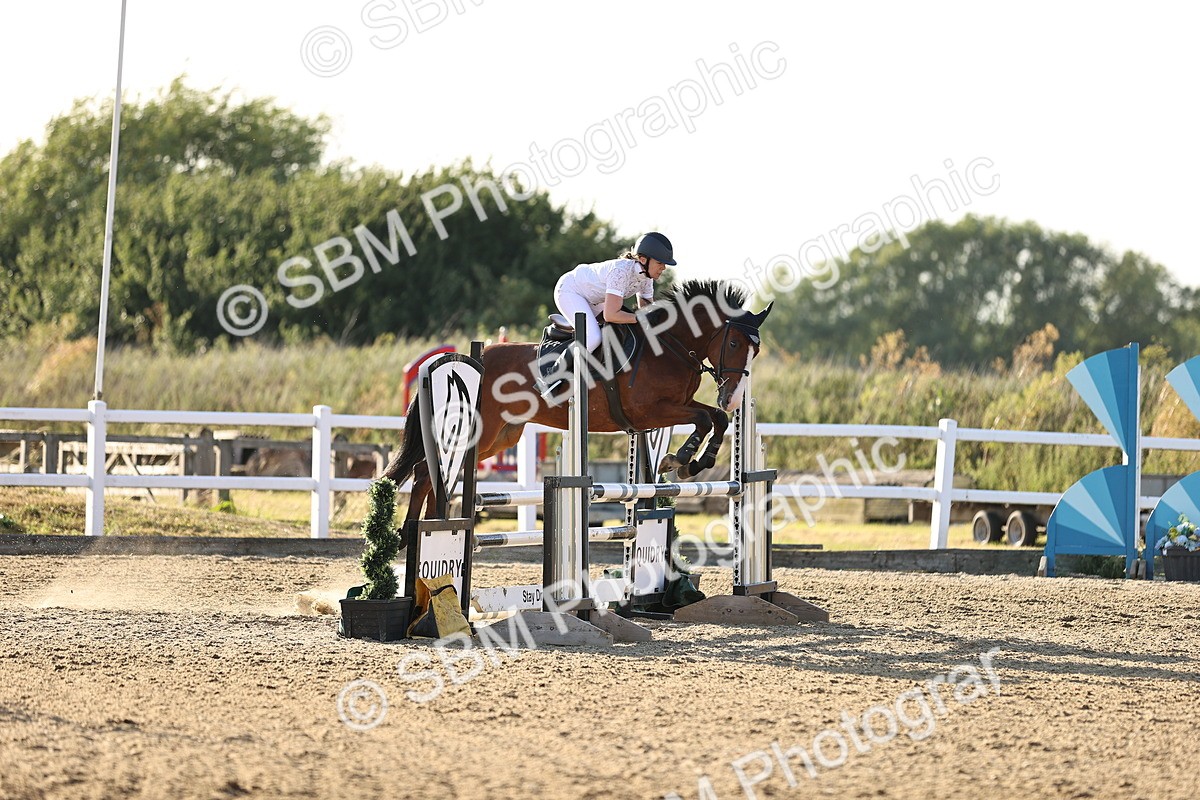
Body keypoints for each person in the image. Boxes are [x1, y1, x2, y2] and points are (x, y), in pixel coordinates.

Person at [538, 232, 677, 398]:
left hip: (594, 299)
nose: (664, 268)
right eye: (660, 263)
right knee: (593, 338)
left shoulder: (646, 278)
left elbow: (646, 310)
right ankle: (550, 378)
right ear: (642, 260)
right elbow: (611, 315)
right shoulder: (621, 272)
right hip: (570, 291)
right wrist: (641, 318)